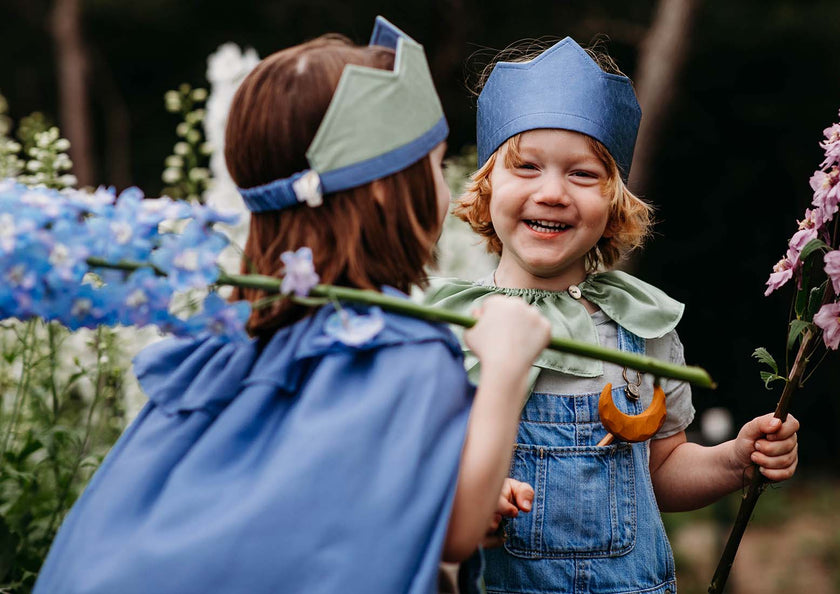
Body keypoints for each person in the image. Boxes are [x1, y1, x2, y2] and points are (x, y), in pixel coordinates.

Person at [32, 18, 551, 594]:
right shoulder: (394, 348)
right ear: (383, 188)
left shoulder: (224, 339)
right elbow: (458, 527)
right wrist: (504, 369)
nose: (446, 190)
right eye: (432, 167)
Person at [425, 37, 800, 593]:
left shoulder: (641, 326)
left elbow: (662, 471)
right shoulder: (449, 327)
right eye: (526, 166)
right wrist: (471, 495)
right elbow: (417, 478)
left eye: (582, 174)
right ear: (484, 187)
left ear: (615, 204)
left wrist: (735, 460)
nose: (552, 192)